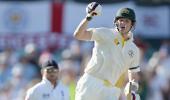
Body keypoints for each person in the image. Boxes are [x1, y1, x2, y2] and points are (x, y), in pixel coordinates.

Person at [73, 2, 141, 100]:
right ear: (116, 22)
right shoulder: (105, 33)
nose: (123, 23)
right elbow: (78, 35)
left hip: (111, 90)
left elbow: (133, 75)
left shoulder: (134, 50)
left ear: (132, 24)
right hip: (91, 82)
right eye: (121, 20)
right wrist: (89, 17)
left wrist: (132, 91)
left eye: (126, 21)